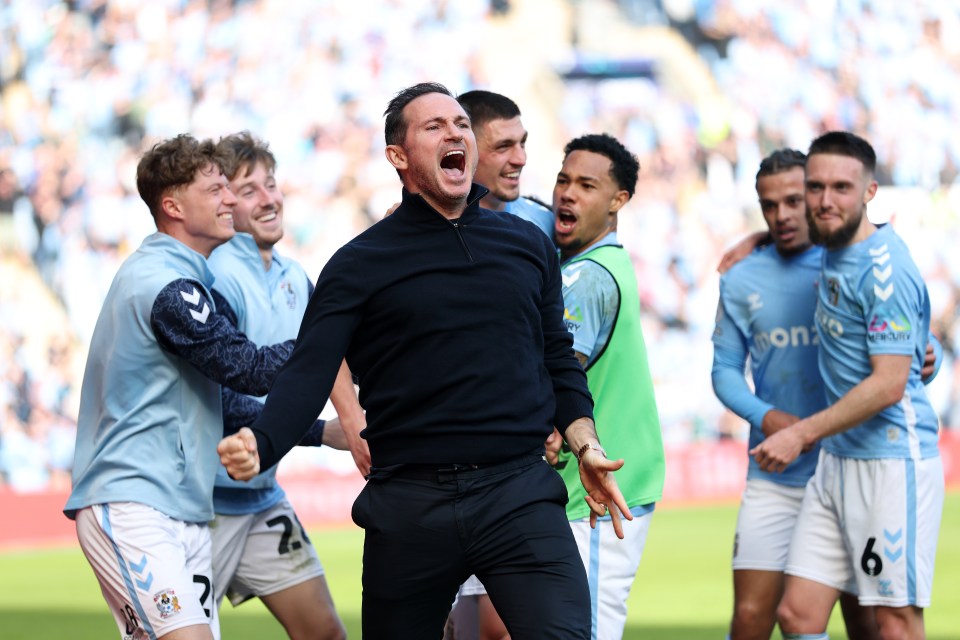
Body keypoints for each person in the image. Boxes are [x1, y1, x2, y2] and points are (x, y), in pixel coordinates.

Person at [218, 82, 632, 639]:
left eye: (461, 124)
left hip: (519, 493)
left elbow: (558, 362)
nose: (455, 132)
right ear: (398, 156)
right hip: (410, 506)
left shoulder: (528, 247)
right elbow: (310, 371)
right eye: (434, 127)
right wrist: (263, 442)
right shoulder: (357, 264)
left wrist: (587, 445)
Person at [64, 134, 299, 640]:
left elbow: (231, 403)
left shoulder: (180, 280)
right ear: (172, 205)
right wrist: (336, 333)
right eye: (216, 189)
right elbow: (250, 368)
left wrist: (324, 432)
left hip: (182, 511)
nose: (231, 200)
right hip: (133, 504)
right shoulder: (167, 286)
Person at [750, 132, 944, 640]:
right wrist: (752, 243)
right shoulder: (832, 241)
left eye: (841, 187)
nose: (824, 200)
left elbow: (888, 385)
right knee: (797, 616)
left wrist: (801, 433)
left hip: (890, 462)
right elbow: (787, 226)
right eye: (815, 187)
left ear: (869, 192)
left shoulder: (886, 271)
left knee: (895, 621)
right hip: (838, 463)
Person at [207, 131, 369, 640]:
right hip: (196, 507)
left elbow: (333, 357)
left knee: (326, 634)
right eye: (249, 189)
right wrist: (323, 433)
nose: (269, 198)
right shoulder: (214, 277)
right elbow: (222, 402)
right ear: (223, 201)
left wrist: (355, 422)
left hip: (260, 499)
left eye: (271, 184)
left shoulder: (295, 276)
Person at [712, 149, 878, 640]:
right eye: (768, 206)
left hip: (849, 466)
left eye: (792, 200)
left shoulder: (852, 260)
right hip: (775, 474)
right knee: (750, 619)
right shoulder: (741, 278)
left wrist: (928, 354)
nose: (781, 215)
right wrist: (769, 419)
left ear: (814, 196)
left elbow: (904, 346)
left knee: (864, 620)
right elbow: (723, 372)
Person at [546, 133, 665, 640]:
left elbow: (556, 375)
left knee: (585, 631)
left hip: (594, 495)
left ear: (618, 201)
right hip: (600, 488)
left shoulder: (586, 278)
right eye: (563, 179)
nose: (567, 193)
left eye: (587, 185)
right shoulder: (602, 264)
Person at [456, 90, 553, 236]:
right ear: (463, 151)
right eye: (503, 146)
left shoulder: (543, 223)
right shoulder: (430, 228)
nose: (521, 159)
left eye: (522, 143)